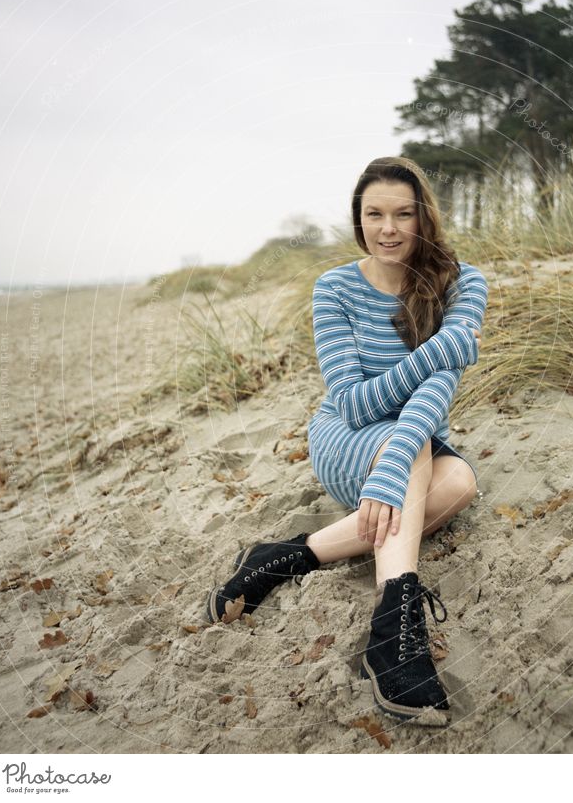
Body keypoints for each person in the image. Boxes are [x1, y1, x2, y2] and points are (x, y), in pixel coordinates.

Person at [205, 156, 488, 725]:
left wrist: (404, 446)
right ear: (359, 220)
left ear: (423, 217)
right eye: (375, 214)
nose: (389, 228)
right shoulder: (333, 288)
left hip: (413, 443)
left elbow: (436, 393)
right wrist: (447, 348)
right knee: (411, 450)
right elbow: (355, 403)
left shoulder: (462, 282)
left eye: (403, 213)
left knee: (460, 481)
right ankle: (393, 633)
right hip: (345, 438)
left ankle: (288, 555)